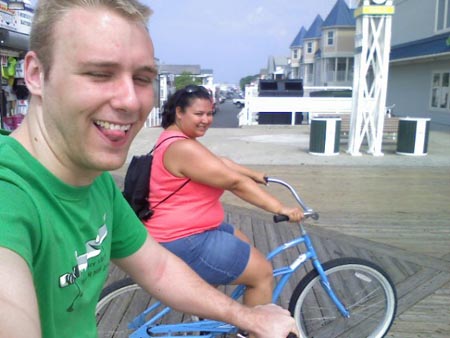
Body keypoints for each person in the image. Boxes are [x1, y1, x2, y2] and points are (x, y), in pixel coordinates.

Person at [0, 1, 299, 338]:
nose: (130, 100)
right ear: (37, 75)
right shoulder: (8, 193)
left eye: (143, 78)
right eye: (99, 73)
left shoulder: (94, 182)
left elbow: (157, 268)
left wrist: (249, 318)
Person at [143, 86, 304, 314]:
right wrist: (281, 208)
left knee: (244, 243)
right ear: (179, 112)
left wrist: (252, 174)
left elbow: (220, 161)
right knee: (262, 274)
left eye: (210, 114)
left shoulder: (174, 138)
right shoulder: (182, 147)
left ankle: (206, 307)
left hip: (191, 227)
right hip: (184, 238)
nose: (206, 120)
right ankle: (251, 327)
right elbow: (234, 183)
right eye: (199, 114)